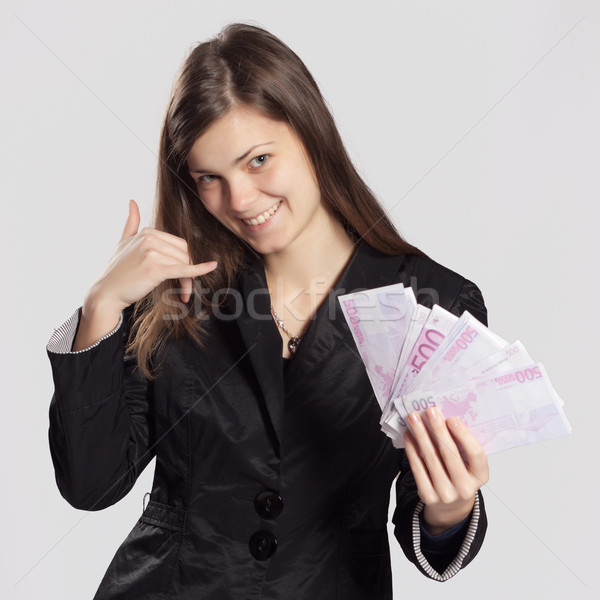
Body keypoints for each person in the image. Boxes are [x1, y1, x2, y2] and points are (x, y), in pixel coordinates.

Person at [46, 23, 489, 599]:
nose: (239, 201)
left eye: (257, 161)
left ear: (309, 132)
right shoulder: (176, 290)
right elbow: (92, 483)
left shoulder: (434, 304)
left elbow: (426, 526)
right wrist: (101, 305)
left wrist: (450, 511)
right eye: (210, 178)